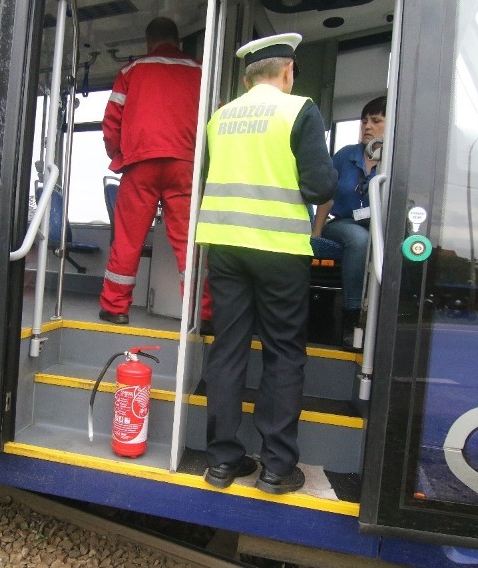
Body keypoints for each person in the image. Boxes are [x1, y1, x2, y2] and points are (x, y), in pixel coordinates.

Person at [195, 33, 337, 494]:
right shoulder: (299, 110)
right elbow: (319, 186)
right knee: (282, 353)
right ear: (288, 72)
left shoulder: (220, 118)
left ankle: (221, 463)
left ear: (246, 76)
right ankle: (276, 469)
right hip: (278, 249)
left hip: (225, 247)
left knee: (228, 349)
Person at [98, 17, 212, 328]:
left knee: (128, 238)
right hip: (184, 164)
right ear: (177, 41)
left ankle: (116, 308)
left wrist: (119, 154)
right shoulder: (200, 70)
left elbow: (111, 124)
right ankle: (200, 313)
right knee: (189, 243)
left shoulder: (131, 71)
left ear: (149, 43)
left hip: (140, 164)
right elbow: (211, 122)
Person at [311, 96, 386, 347]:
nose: (367, 126)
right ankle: (352, 317)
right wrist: (316, 233)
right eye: (364, 121)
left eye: (376, 121)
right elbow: (326, 197)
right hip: (343, 224)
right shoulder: (345, 155)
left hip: (382, 227)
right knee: (359, 238)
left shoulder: (396, 160)